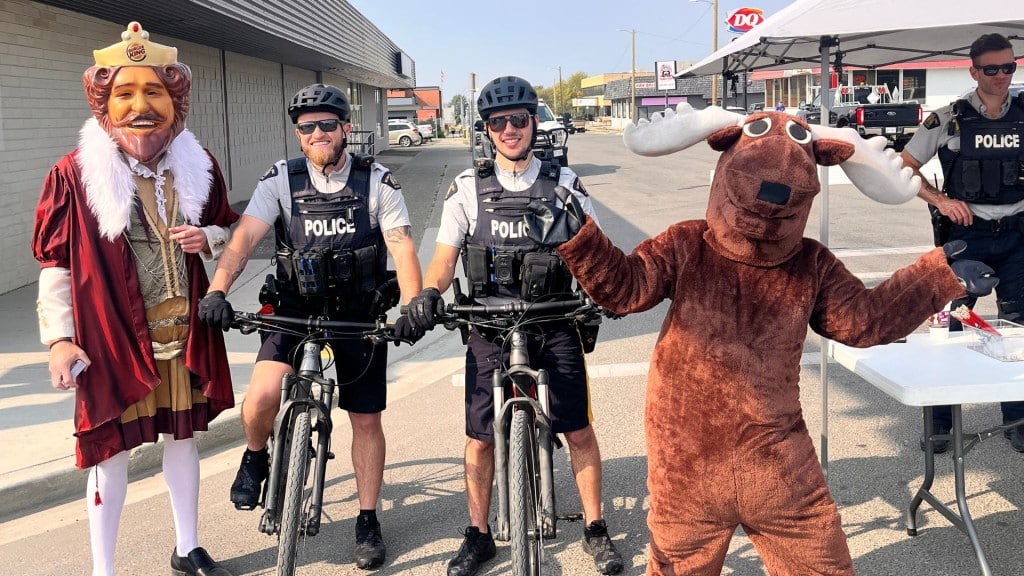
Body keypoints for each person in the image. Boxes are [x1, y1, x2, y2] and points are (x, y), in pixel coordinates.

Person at [519, 103, 993, 575]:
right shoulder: (690, 244)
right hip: (705, 467)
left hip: (759, 465)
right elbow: (627, 287)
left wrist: (938, 279)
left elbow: (862, 320)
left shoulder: (809, 263)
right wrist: (579, 240)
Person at [32, 22, 237, 576]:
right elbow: (56, 263)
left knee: (184, 440)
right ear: (103, 104)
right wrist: (60, 339)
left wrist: (210, 239)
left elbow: (229, 232)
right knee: (110, 453)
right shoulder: (73, 176)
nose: (140, 107)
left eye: (155, 93)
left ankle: (188, 546)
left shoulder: (198, 167)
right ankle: (104, 568)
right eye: (125, 94)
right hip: (113, 340)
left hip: (183, 333)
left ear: (176, 101)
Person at [198, 83, 423, 570]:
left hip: (357, 313)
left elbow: (402, 246)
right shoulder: (280, 179)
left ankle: (367, 519)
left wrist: (410, 305)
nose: (318, 133)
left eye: (327, 124)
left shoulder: (377, 181)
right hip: (293, 307)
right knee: (260, 395)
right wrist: (217, 290)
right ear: (298, 135)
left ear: (345, 128)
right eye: (307, 127)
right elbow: (243, 242)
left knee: (365, 419)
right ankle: (256, 455)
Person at [405, 75, 624, 576]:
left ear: (533, 123)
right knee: (480, 438)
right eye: (498, 122)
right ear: (486, 129)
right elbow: (443, 262)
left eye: (518, 120)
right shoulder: (467, 189)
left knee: (579, 429)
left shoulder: (564, 184)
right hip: (489, 323)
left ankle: (595, 527)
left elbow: (596, 252)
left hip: (553, 321)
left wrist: (607, 291)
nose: (509, 129)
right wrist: (428, 296)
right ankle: (478, 534)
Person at [900, 32, 1024, 453]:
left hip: (1018, 235)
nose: (1003, 75)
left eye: (1009, 66)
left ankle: (1018, 425)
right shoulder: (947, 118)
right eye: (992, 69)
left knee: (1019, 332)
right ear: (973, 71)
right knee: (949, 330)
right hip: (966, 240)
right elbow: (903, 168)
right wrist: (940, 200)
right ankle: (939, 427)